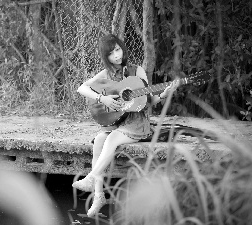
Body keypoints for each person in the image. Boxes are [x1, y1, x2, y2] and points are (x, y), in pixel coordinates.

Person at [72, 33, 179, 217]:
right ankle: (99, 196)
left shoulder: (136, 71)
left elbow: (150, 101)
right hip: (118, 122)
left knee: (112, 138)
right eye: (112, 53)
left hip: (137, 123)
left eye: (118, 49)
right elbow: (81, 88)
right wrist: (102, 97)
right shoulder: (105, 74)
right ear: (106, 57)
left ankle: (91, 177)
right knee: (99, 140)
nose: (117, 55)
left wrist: (164, 94)